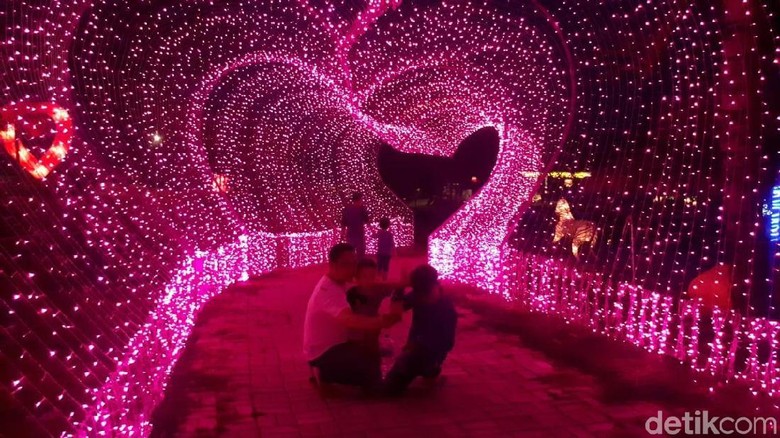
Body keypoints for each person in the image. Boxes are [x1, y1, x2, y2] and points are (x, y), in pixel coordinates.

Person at [303, 243, 398, 390]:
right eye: (346, 264)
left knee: (372, 354)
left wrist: (401, 284)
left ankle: (330, 372)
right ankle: (324, 373)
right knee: (369, 370)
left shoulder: (339, 282)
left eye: (354, 263)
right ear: (332, 264)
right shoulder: (328, 291)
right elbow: (350, 320)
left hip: (335, 345)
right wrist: (383, 322)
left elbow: (369, 284)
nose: (352, 269)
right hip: (324, 352)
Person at [384, 264, 458, 395]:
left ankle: (430, 369)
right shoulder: (420, 293)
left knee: (389, 387)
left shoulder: (445, 309)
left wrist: (416, 350)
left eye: (424, 293)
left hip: (428, 351)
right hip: (417, 348)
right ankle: (428, 370)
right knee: (393, 379)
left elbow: (446, 343)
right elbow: (396, 311)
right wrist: (400, 287)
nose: (422, 298)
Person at [341, 192, 369, 258]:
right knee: (360, 255)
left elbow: (343, 223)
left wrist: (342, 233)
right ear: (359, 200)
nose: (362, 201)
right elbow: (367, 221)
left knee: (351, 254)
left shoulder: (346, 209)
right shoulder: (362, 209)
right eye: (361, 199)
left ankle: (353, 267)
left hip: (350, 235)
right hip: (359, 235)